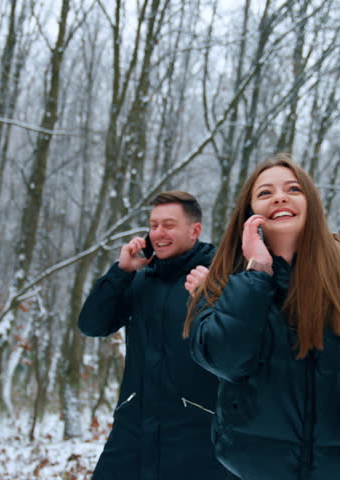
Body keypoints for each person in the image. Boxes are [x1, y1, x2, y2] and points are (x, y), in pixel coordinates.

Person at [183, 154, 340, 480]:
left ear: (311, 205)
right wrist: (257, 272)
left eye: (293, 189)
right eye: (265, 193)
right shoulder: (222, 291)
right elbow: (226, 360)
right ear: (250, 214)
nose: (280, 197)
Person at [78, 191, 234, 480]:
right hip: (133, 431)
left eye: (169, 225)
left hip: (197, 437)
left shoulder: (219, 278)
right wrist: (121, 271)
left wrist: (213, 297)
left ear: (194, 230)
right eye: (153, 225)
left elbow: (237, 351)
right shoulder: (138, 278)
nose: (158, 233)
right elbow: (92, 325)